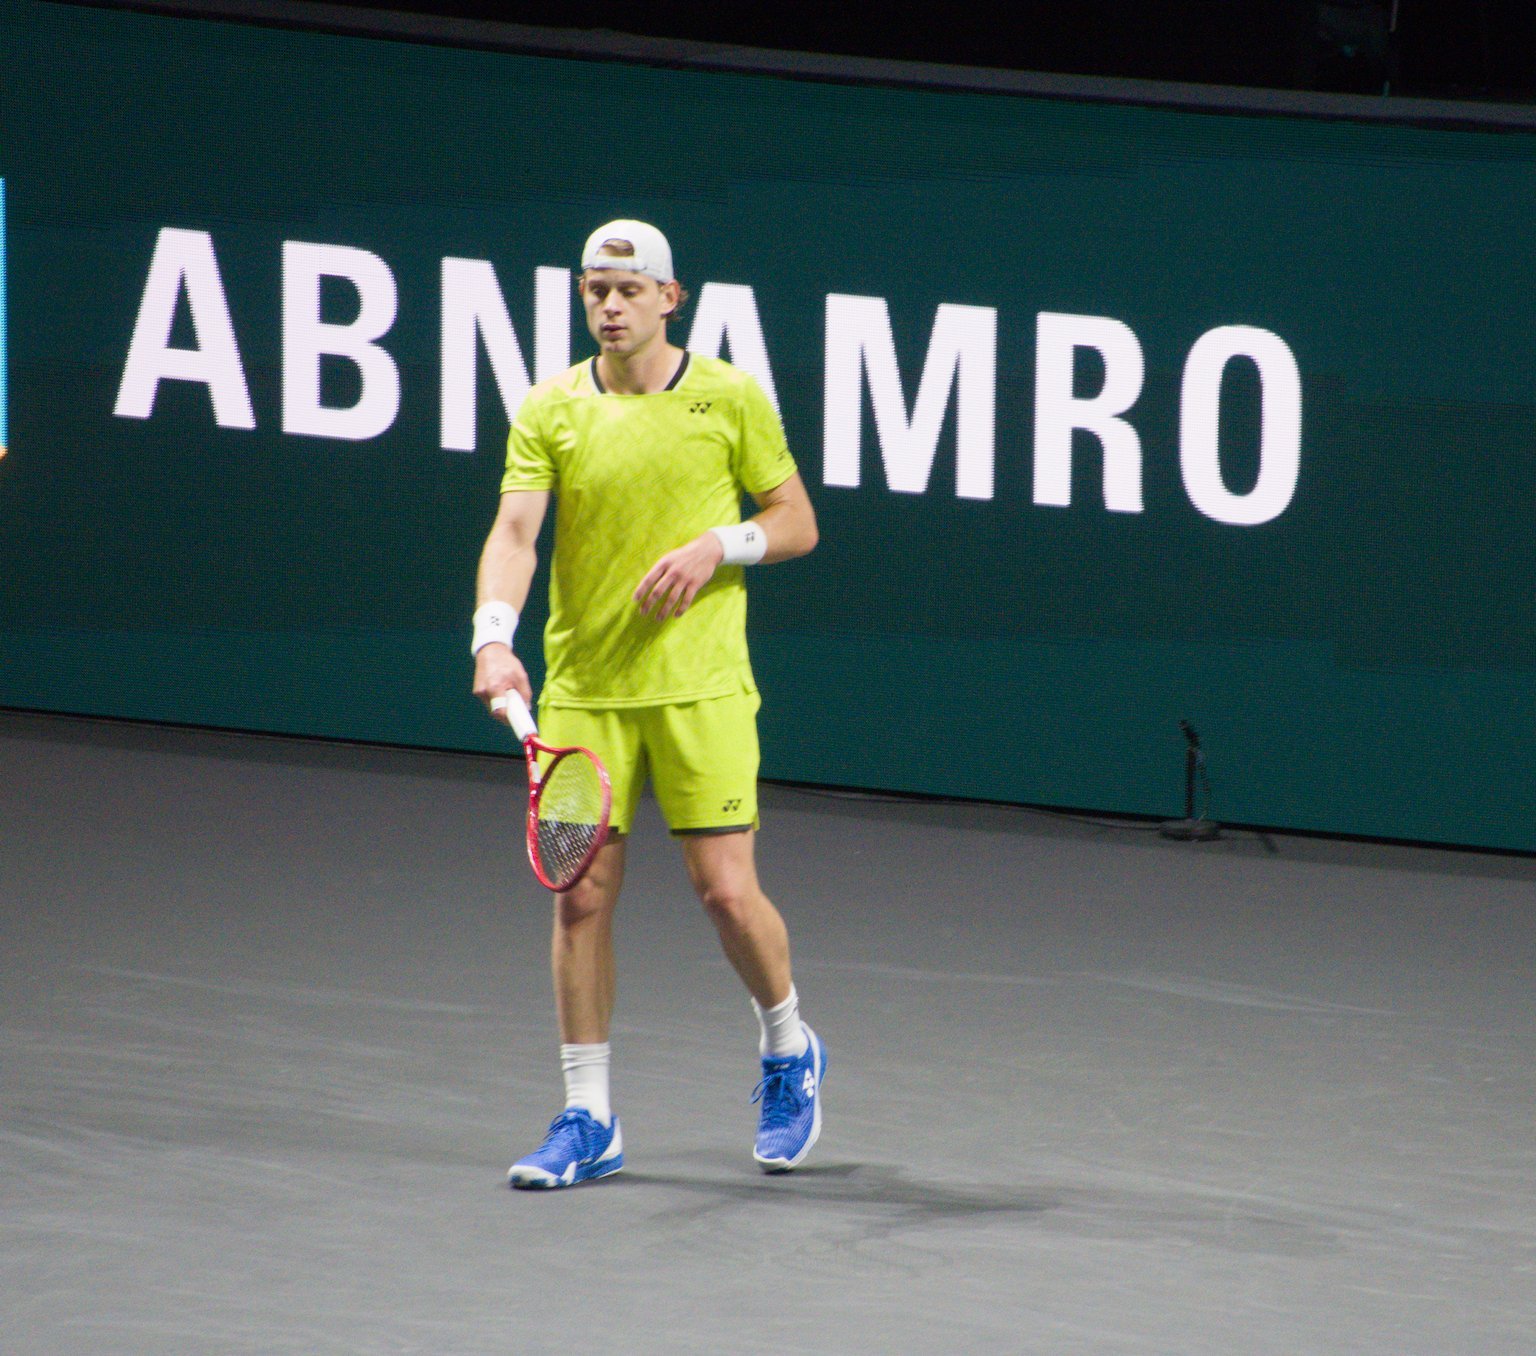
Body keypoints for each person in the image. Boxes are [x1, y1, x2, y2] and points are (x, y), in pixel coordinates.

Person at [471, 219, 823, 1189]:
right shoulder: (551, 408)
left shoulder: (728, 397)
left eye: (630, 290)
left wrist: (720, 544)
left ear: (672, 298)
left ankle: (789, 1048)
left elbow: (796, 523)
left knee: (726, 894)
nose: (611, 305)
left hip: (702, 688)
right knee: (580, 897)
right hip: (586, 692)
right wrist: (492, 634)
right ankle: (589, 1117)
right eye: (595, 290)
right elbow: (513, 530)